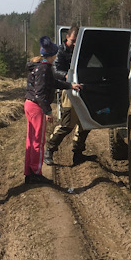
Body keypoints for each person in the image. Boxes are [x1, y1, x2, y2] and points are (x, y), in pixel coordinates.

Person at [25, 36, 82, 185]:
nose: (56, 56)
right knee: (38, 141)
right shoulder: (44, 68)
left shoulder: (40, 66)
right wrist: (47, 111)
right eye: (55, 53)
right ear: (51, 55)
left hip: (30, 104)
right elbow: (40, 92)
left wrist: (70, 85)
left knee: (31, 140)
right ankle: (36, 173)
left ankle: (29, 172)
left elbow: (53, 83)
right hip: (36, 107)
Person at [45, 26, 90, 165]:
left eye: (78, 41)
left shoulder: (82, 50)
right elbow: (55, 70)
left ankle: (78, 152)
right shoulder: (60, 51)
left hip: (82, 89)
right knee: (67, 124)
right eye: (73, 41)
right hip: (68, 89)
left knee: (86, 123)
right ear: (67, 38)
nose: (75, 44)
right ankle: (49, 149)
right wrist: (68, 76)